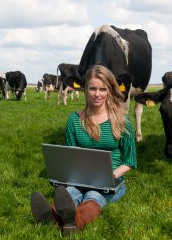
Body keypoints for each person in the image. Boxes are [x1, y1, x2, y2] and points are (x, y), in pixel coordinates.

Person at [30, 65, 137, 236]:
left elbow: (130, 160)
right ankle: (52, 215)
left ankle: (73, 221)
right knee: (70, 192)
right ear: (85, 89)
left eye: (103, 89)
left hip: (110, 180)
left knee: (94, 195)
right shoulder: (74, 120)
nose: (97, 94)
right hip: (80, 178)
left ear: (109, 90)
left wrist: (113, 175)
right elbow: (70, 154)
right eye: (92, 88)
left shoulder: (122, 121)